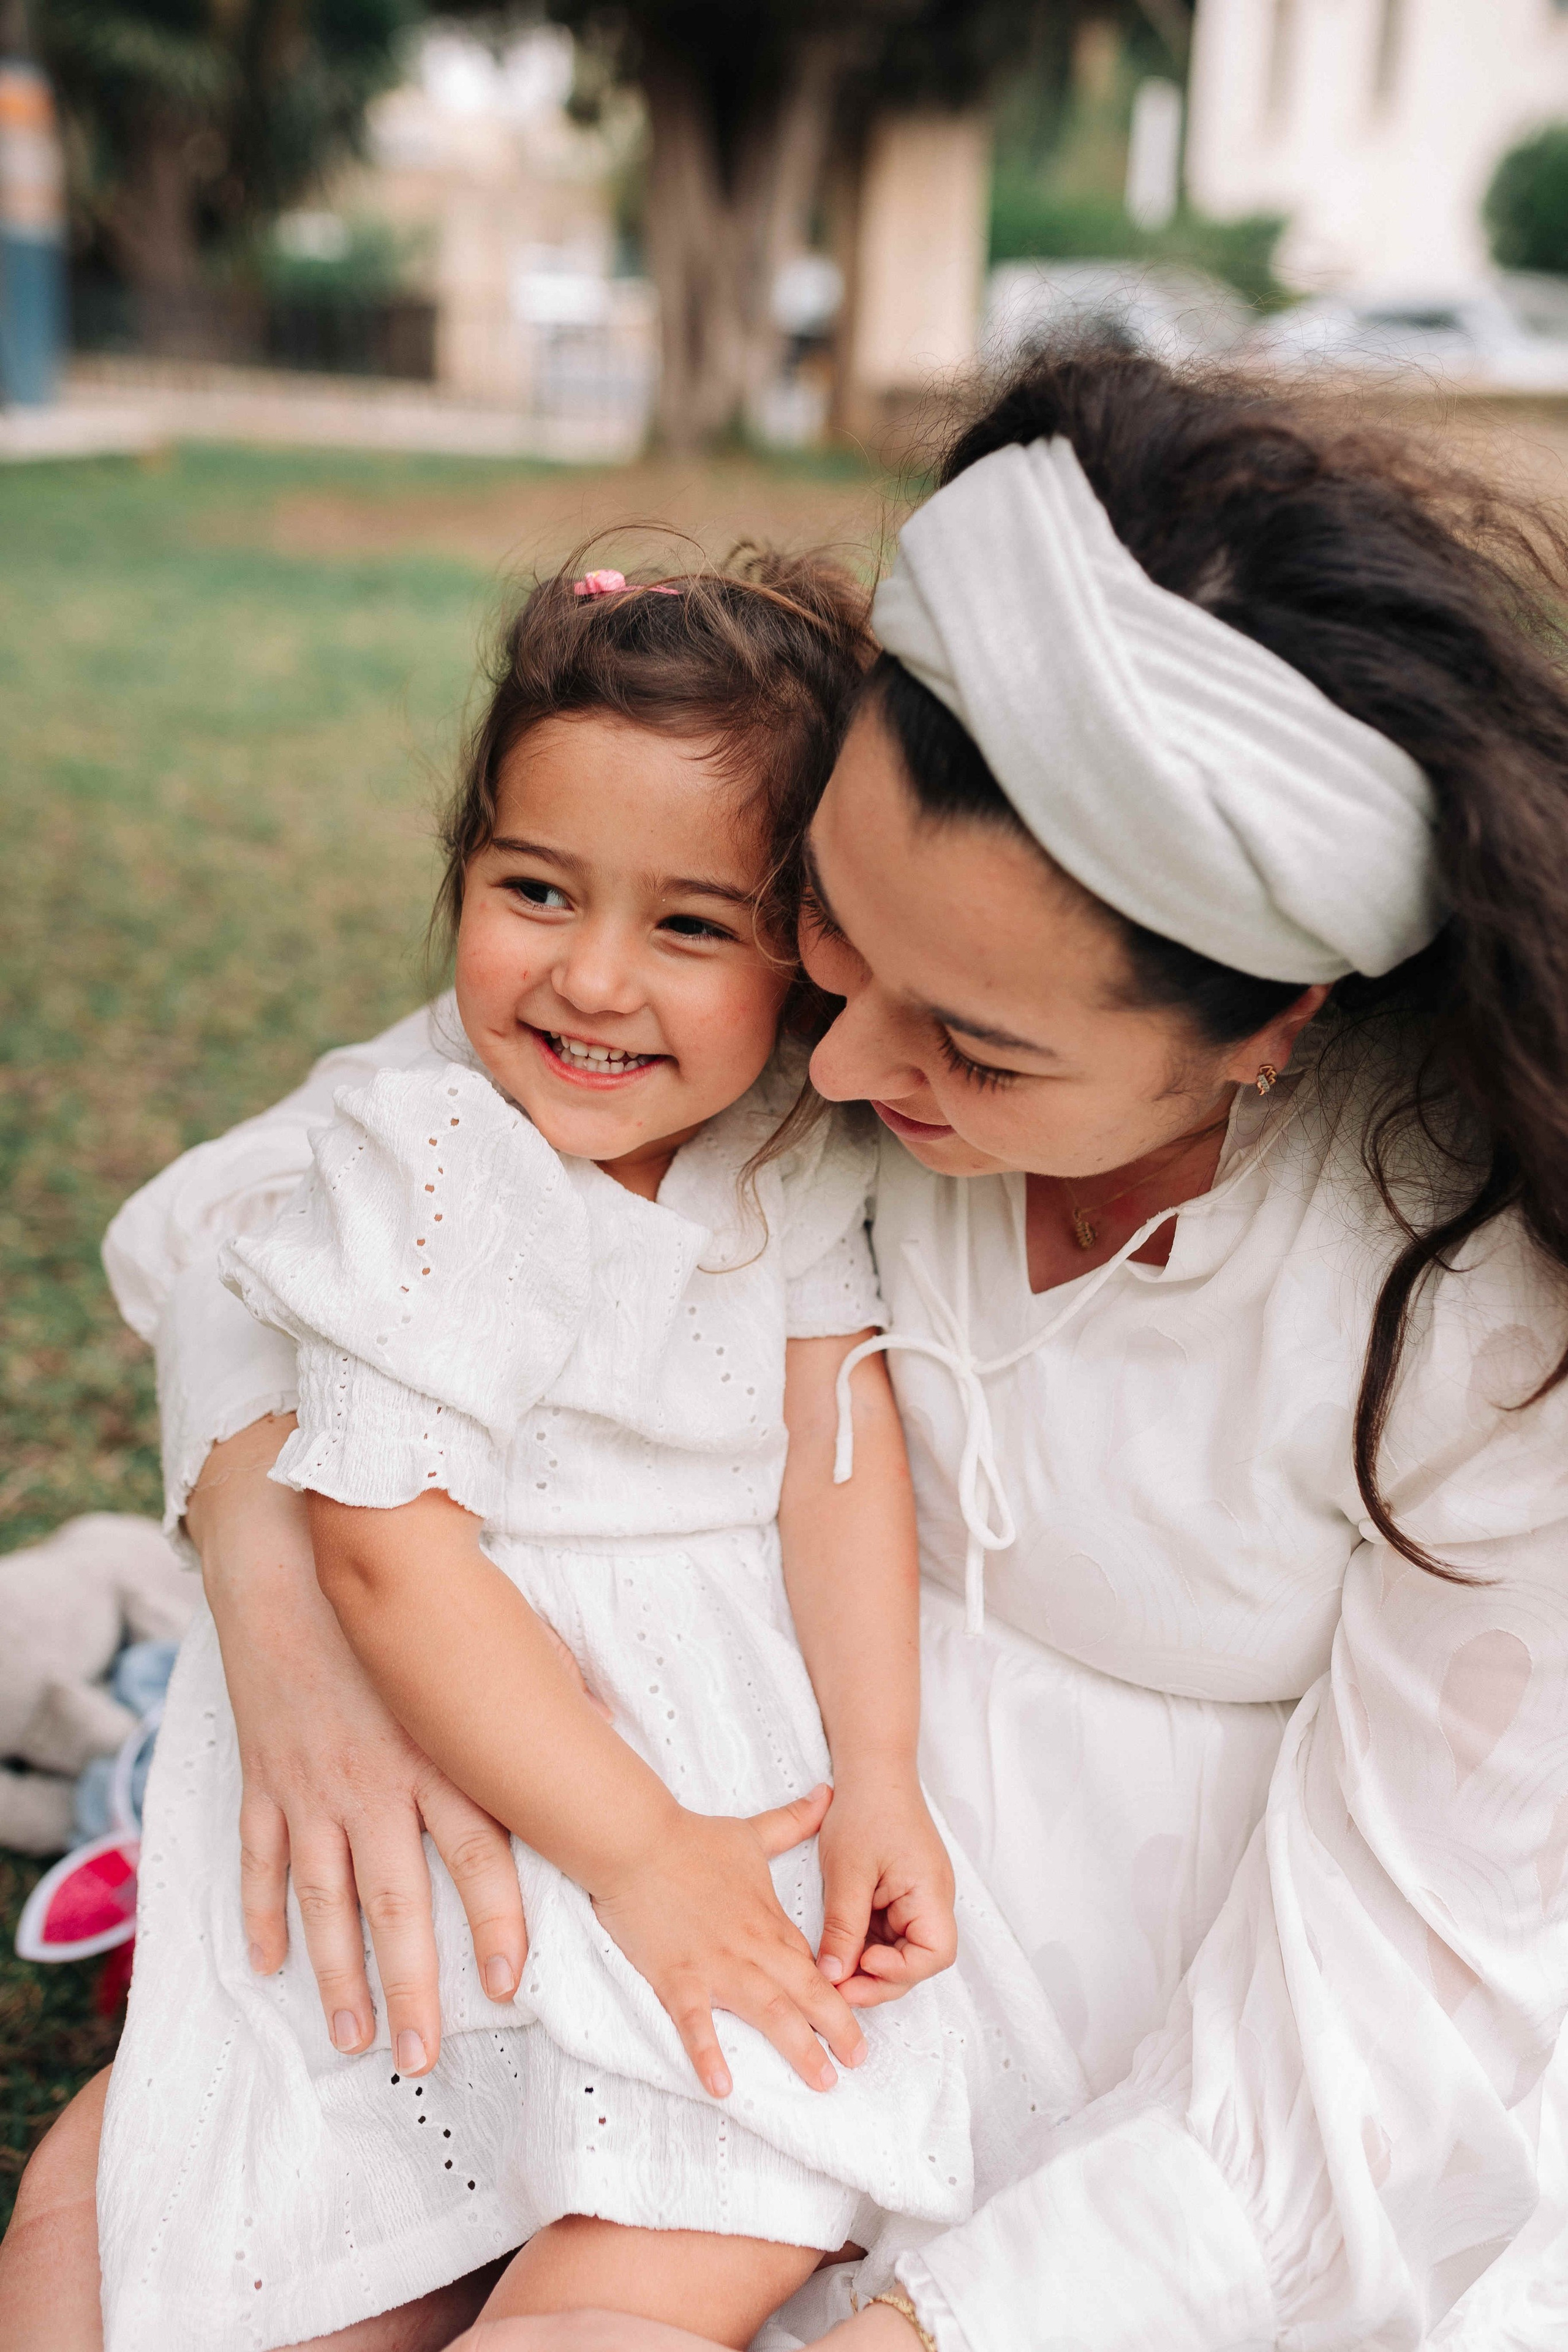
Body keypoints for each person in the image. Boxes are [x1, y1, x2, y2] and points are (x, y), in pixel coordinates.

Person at [4, 343, 1567, 2352]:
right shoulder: (753, 1054)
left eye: (978, 1047)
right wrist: (280, 1596)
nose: (837, 1065)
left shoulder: (1480, 1331)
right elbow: (268, 1218)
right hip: (657, 1843)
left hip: (1117, 2070)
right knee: (113, 2225)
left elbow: (1378, 2053)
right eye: (823, 925)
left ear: (1277, 1021)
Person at [79, 551, 1075, 2352]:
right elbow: (387, 1544)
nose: (594, 979)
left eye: (693, 927)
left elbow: (832, 1451)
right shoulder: (443, 1160)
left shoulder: (789, 1148)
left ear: (808, 953)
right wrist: (629, 1852)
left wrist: (873, 1767)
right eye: (536, 890)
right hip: (494, 1764)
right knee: (253, 2229)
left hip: (715, 1773)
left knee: (696, 2195)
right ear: (463, 873)